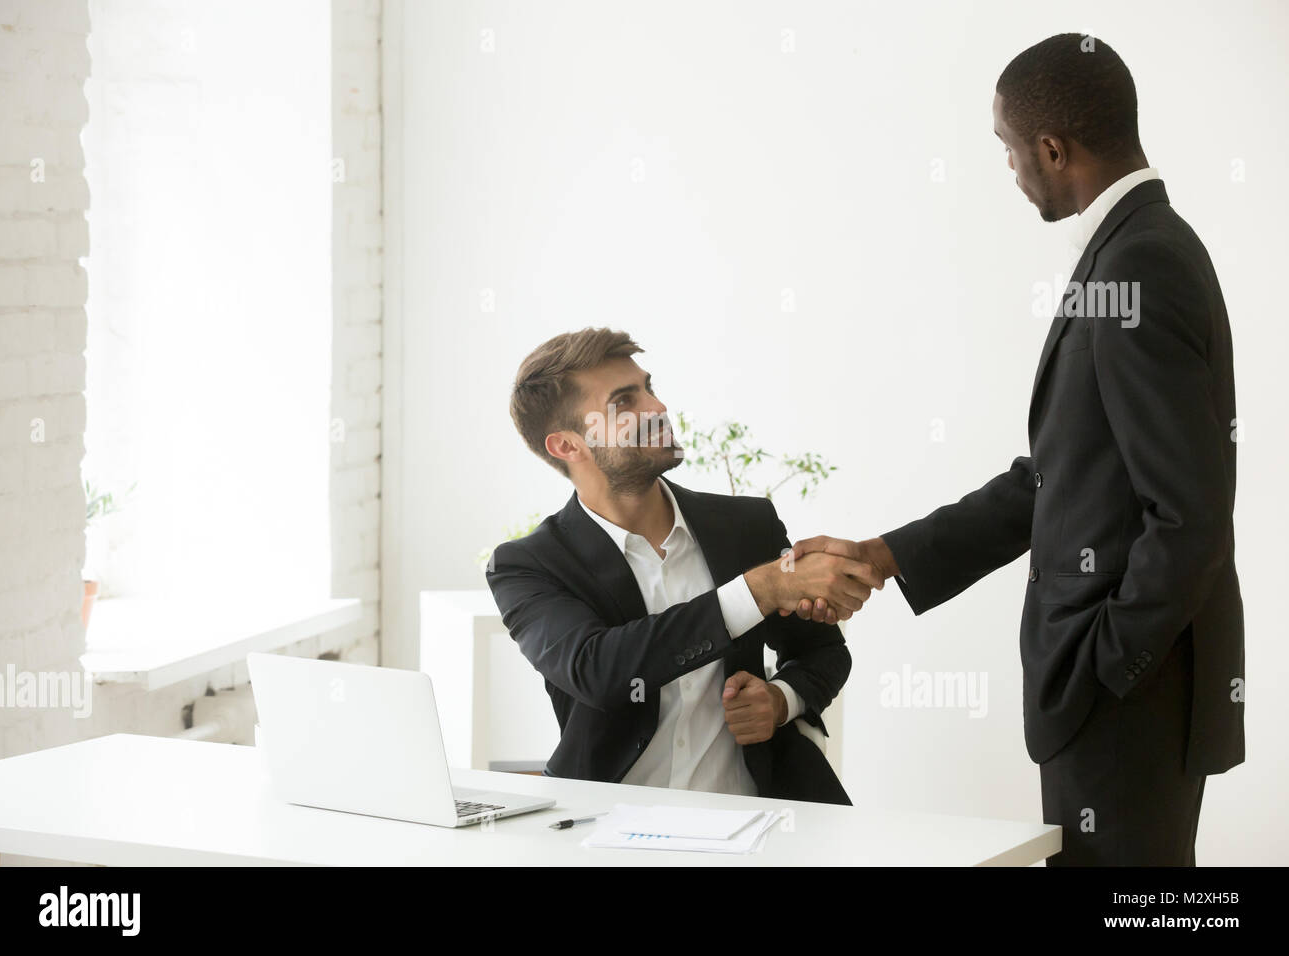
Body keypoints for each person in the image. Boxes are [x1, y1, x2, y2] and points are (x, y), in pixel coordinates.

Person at [790, 34, 1243, 864]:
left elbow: (1190, 514)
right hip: (1120, 696)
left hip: (1126, 698)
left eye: (1007, 148)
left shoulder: (1139, 263)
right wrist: (886, 555)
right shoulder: (1133, 251)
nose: (1009, 168)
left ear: (1052, 148)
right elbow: (1058, 478)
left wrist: (1107, 666)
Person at [486, 327, 882, 803]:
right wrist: (760, 590)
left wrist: (781, 701)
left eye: (649, 388)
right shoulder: (528, 565)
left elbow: (823, 652)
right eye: (625, 402)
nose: (657, 409)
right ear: (567, 446)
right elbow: (600, 671)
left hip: (762, 824)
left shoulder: (745, 525)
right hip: (602, 831)